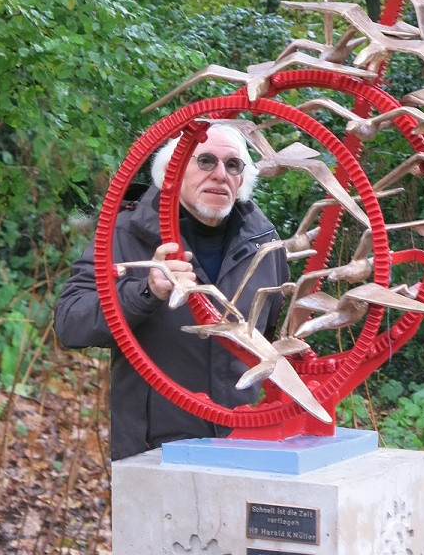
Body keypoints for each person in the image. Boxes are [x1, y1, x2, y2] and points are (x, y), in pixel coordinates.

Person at [54, 124, 289, 460]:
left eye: (233, 165)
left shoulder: (265, 243)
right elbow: (69, 322)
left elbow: (272, 339)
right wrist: (145, 291)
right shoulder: (125, 233)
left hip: (246, 445)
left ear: (242, 181)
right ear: (172, 171)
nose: (220, 174)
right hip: (157, 453)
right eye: (205, 161)